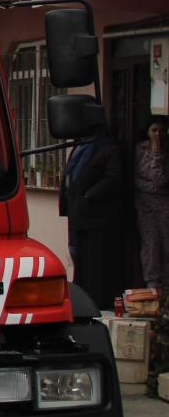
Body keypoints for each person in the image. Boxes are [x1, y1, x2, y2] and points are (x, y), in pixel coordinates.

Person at [61, 124, 131, 310]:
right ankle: (83, 299)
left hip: (99, 217)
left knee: (98, 262)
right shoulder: (80, 148)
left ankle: (98, 301)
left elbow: (113, 179)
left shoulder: (109, 149)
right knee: (80, 259)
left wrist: (88, 196)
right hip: (79, 214)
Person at [136, 115, 169, 290]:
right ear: (147, 132)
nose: (158, 135)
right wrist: (153, 187)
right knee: (151, 245)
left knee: (166, 245)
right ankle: (152, 288)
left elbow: (159, 179)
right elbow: (135, 180)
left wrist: (157, 153)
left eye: (162, 131)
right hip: (145, 205)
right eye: (154, 130)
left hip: (165, 204)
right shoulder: (139, 150)